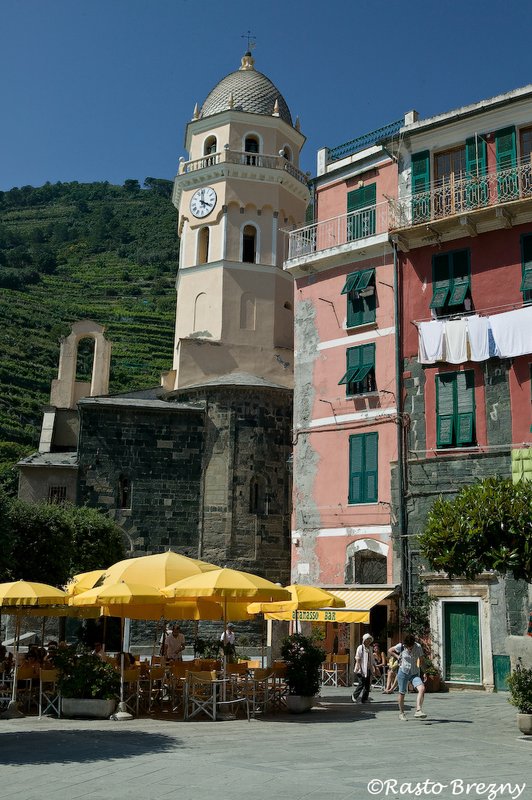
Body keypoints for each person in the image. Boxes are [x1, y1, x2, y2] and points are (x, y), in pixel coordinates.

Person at [389, 633, 427, 721]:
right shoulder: (401, 646)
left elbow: (421, 660)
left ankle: (418, 710)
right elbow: (390, 650)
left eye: (411, 646)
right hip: (403, 672)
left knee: (422, 689)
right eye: (408, 646)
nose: (409, 648)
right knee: (402, 693)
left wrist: (424, 672)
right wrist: (397, 656)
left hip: (414, 672)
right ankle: (401, 713)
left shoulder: (418, 647)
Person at [351, 633, 376, 704]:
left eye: (369, 640)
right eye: (367, 640)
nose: (368, 641)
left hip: (367, 668)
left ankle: (364, 699)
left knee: (367, 684)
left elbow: (372, 659)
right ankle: (354, 695)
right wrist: (358, 666)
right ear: (364, 640)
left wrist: (374, 666)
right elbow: (357, 657)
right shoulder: (360, 647)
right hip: (361, 668)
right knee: (361, 683)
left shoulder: (370, 648)